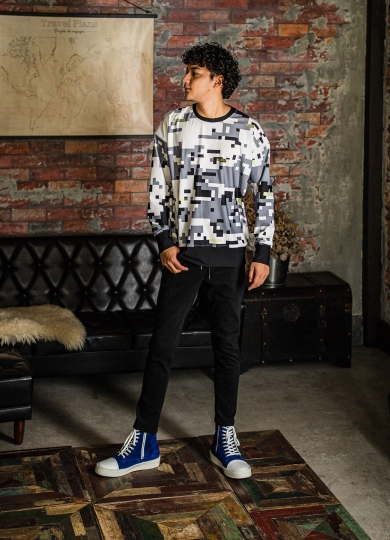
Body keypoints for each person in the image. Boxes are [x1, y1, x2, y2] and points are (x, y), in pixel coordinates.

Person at [95, 42, 274, 480]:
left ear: (217, 80)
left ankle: (225, 438)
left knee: (227, 349)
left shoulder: (249, 131)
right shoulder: (173, 124)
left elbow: (264, 193)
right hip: (183, 256)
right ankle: (144, 442)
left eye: (193, 72)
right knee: (162, 346)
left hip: (231, 256)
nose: (184, 80)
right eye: (187, 72)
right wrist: (163, 241)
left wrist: (263, 253)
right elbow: (157, 187)